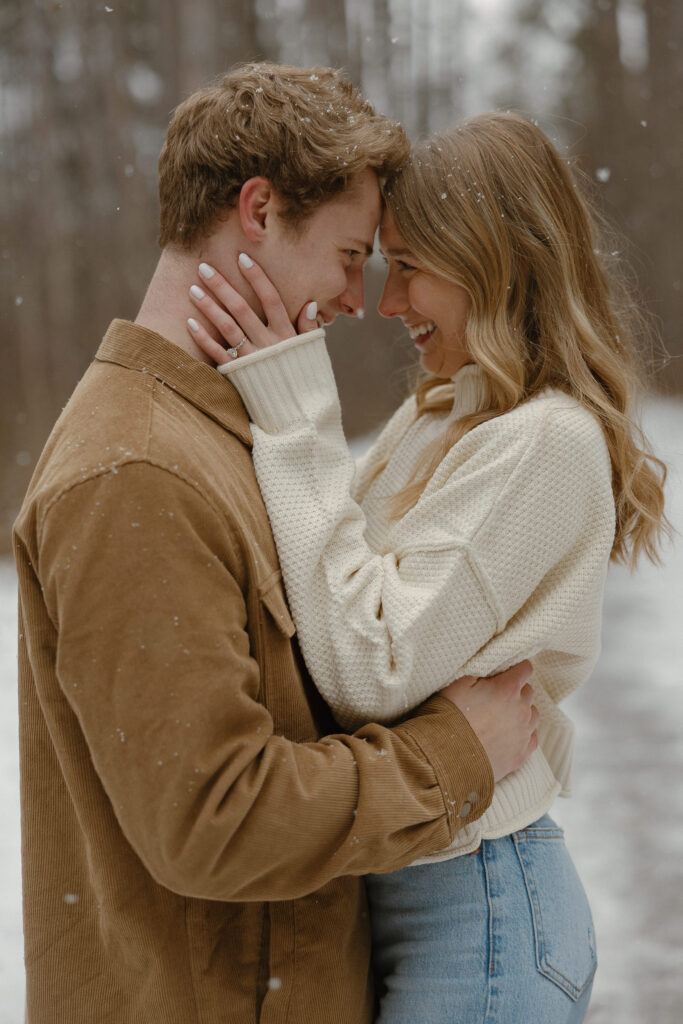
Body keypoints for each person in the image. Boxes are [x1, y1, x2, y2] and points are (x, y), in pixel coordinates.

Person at [12, 67, 539, 1024]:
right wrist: (456, 754)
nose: (353, 296)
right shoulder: (135, 469)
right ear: (258, 209)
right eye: (345, 254)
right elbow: (216, 818)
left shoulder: (215, 435)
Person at [187, 112, 670, 1023]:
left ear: (491, 259)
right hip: (427, 887)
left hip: (477, 910)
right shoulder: (442, 416)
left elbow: (374, 667)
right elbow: (327, 582)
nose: (387, 302)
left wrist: (292, 408)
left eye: (408, 266)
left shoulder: (544, 441)